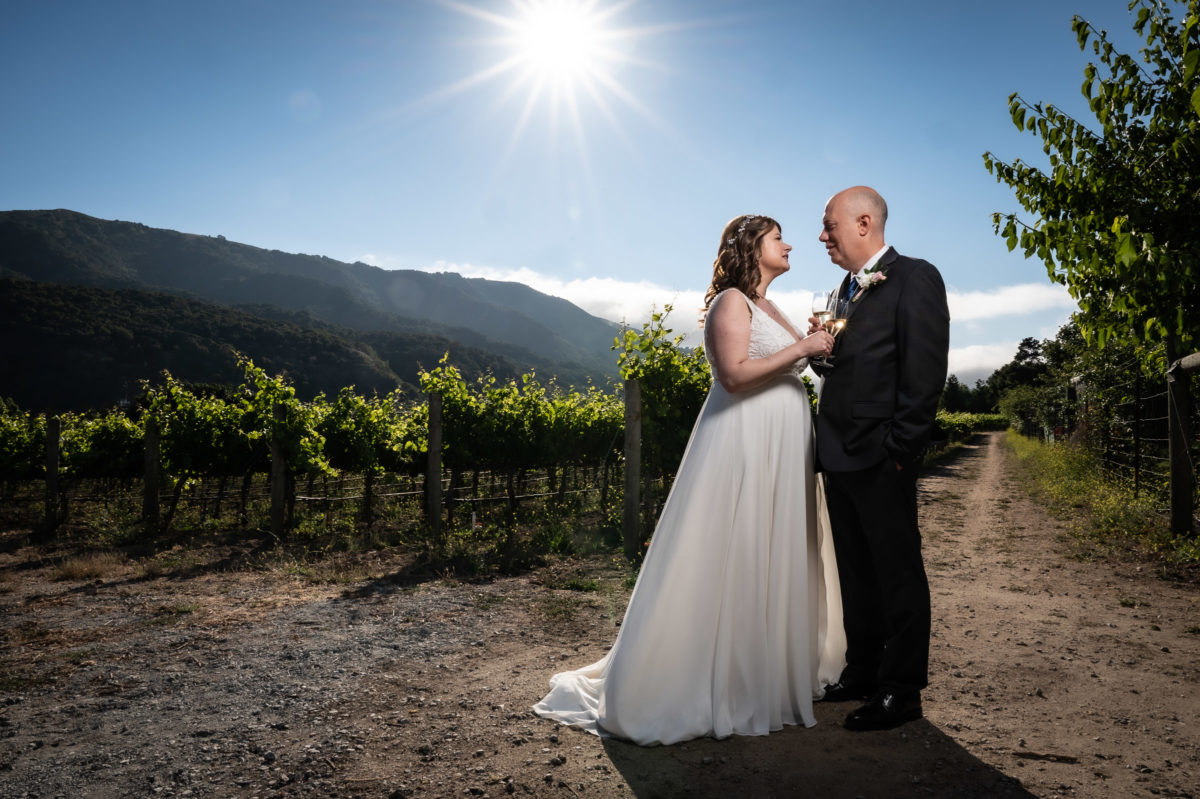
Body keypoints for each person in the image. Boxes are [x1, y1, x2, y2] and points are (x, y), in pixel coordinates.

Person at [532, 214, 845, 745]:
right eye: (778, 238)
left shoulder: (772, 307)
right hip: (744, 444)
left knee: (772, 551)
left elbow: (790, 363)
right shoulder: (731, 302)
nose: (789, 244)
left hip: (783, 449)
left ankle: (765, 673)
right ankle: (716, 680)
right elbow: (734, 374)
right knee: (737, 550)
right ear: (753, 247)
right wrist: (802, 350)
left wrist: (816, 347)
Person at [810, 186, 950, 731]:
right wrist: (823, 352)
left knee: (897, 574)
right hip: (838, 455)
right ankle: (862, 671)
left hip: (880, 456)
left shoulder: (915, 277)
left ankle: (901, 689)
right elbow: (851, 368)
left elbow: (924, 372)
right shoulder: (845, 289)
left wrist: (901, 451)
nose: (823, 236)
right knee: (855, 572)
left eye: (829, 225)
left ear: (863, 222)